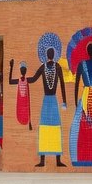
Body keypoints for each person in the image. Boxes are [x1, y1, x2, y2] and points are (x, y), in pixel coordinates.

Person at [32, 38, 68, 167]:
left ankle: (58, 160)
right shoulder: (43, 67)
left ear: (54, 54)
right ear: (46, 55)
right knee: (44, 129)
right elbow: (33, 79)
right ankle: (42, 160)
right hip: (46, 101)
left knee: (56, 129)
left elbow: (63, 84)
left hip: (53, 101)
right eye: (49, 52)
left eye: (52, 52)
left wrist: (64, 101)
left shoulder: (58, 67)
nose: (50, 54)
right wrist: (21, 79)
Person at [8, 59, 32, 130]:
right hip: (20, 104)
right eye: (22, 69)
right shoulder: (19, 80)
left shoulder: (27, 80)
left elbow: (35, 78)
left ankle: (28, 122)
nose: (23, 70)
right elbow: (10, 81)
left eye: (24, 69)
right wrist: (11, 67)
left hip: (25, 103)